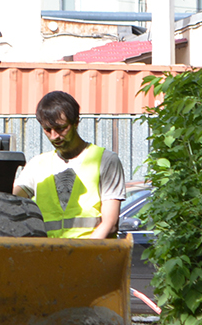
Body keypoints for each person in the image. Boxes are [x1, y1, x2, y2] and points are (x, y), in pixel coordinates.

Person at [14, 90, 127, 239]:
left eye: (61, 128)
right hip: (48, 256)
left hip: (92, 257)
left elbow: (110, 224)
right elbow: (9, 200)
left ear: (76, 122)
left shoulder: (106, 160)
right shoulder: (37, 165)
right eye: (48, 130)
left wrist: (82, 255)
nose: (54, 136)